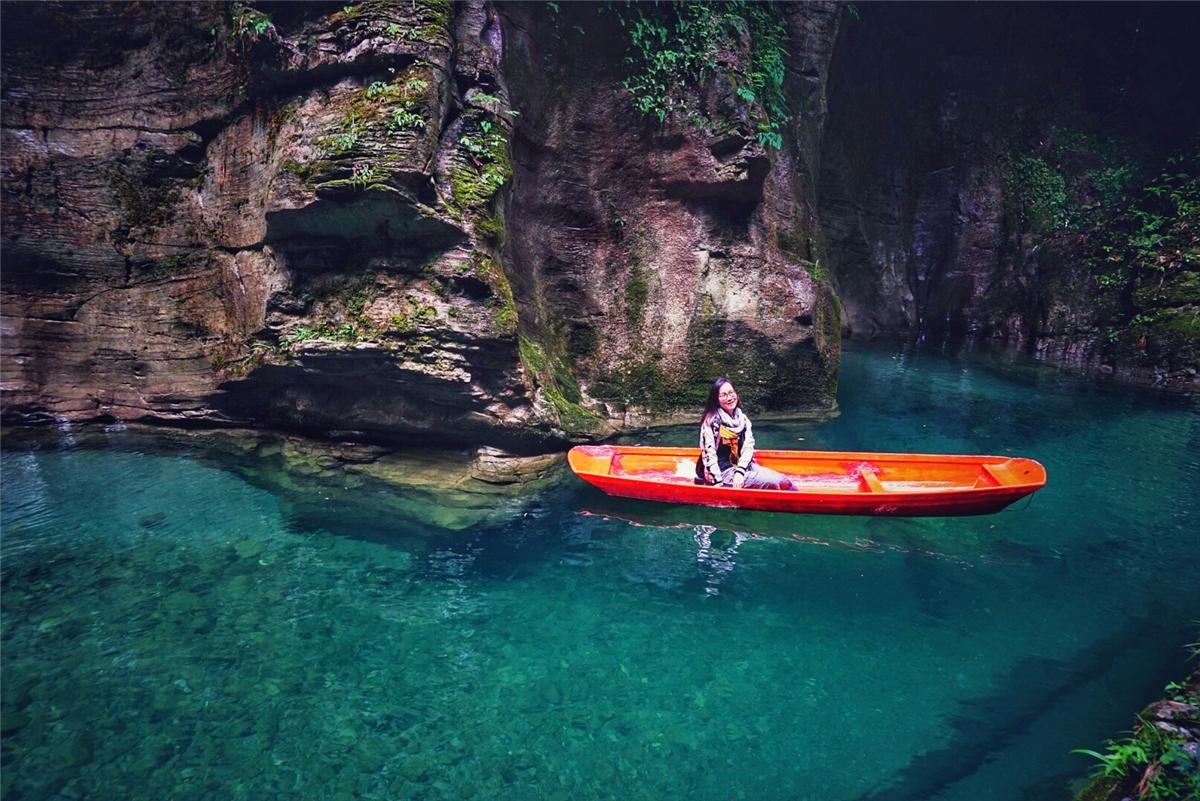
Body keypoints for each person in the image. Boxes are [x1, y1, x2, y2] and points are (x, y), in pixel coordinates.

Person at [695, 378, 797, 490]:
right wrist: (717, 482)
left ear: (736, 394)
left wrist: (740, 471)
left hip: (741, 467)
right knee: (773, 484)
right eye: (723, 395)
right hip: (722, 471)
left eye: (731, 393)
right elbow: (709, 454)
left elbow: (748, 447)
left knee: (784, 481)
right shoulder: (712, 421)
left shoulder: (742, 419)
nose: (729, 398)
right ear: (716, 400)